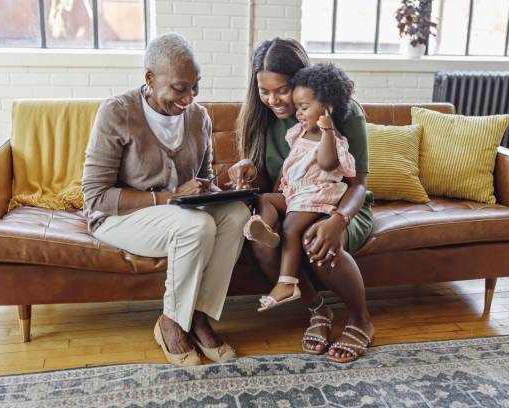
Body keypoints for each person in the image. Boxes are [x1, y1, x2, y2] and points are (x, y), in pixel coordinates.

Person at [82, 33, 251, 367]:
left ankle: (199, 316)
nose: (189, 97)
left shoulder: (199, 118)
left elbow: (201, 184)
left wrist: (227, 186)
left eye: (195, 87)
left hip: (180, 214)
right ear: (149, 78)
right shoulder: (117, 112)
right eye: (179, 88)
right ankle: (171, 323)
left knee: (236, 213)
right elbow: (96, 197)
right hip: (118, 217)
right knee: (197, 226)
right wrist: (171, 197)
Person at [229, 38, 375, 363]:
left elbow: (358, 184)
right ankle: (317, 310)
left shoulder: (340, 112)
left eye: (280, 90)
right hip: (293, 201)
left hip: (339, 202)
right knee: (262, 237)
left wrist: (338, 221)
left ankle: (360, 320)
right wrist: (248, 171)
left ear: (300, 80)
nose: (272, 100)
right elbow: (273, 185)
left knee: (316, 240)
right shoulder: (261, 118)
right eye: (264, 91)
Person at [243, 63, 356, 314]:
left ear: (326, 109)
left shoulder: (333, 139)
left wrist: (327, 128)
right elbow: (290, 165)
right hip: (295, 194)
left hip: (317, 196)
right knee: (266, 200)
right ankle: (265, 230)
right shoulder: (300, 132)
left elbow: (328, 163)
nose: (299, 113)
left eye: (304, 108)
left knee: (292, 227)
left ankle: (287, 283)